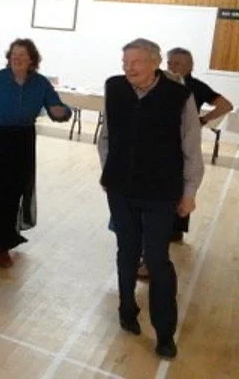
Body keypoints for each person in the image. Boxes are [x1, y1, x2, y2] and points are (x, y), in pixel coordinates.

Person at [98, 38, 204, 360]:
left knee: (156, 259)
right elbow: (106, 136)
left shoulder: (179, 96)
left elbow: (191, 148)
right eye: (125, 60)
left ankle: (165, 332)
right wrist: (108, 172)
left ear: (155, 63)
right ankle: (126, 308)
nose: (127, 67)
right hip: (121, 190)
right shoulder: (114, 88)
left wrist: (189, 193)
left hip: (160, 192)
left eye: (136, 62)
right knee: (126, 251)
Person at [0, 38, 72, 268]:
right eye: (13, 54)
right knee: (1, 186)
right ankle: (3, 242)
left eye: (22, 55)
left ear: (32, 60)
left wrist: (61, 111)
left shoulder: (40, 83)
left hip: (23, 138)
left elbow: (58, 108)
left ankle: (5, 235)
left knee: (17, 187)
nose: (16, 58)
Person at [165, 47, 233, 242]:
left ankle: (175, 229)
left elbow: (226, 105)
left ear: (190, 66)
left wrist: (202, 120)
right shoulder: (159, 83)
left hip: (184, 143)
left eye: (177, 63)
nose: (172, 67)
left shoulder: (196, 87)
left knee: (182, 182)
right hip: (160, 141)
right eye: (170, 62)